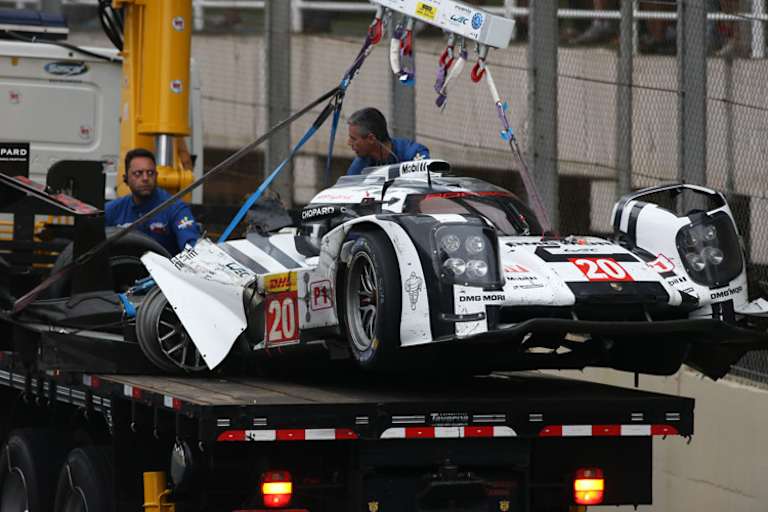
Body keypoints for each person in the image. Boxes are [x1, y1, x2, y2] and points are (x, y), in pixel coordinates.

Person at [105, 148, 200, 255]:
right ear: (126, 179)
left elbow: (192, 247)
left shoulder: (175, 208)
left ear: (156, 176)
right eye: (138, 173)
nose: (145, 178)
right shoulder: (111, 210)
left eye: (150, 173)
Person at [346, 107, 430, 176]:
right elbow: (348, 189)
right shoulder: (360, 164)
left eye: (353, 139)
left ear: (371, 138)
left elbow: (425, 177)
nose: (349, 143)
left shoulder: (412, 152)